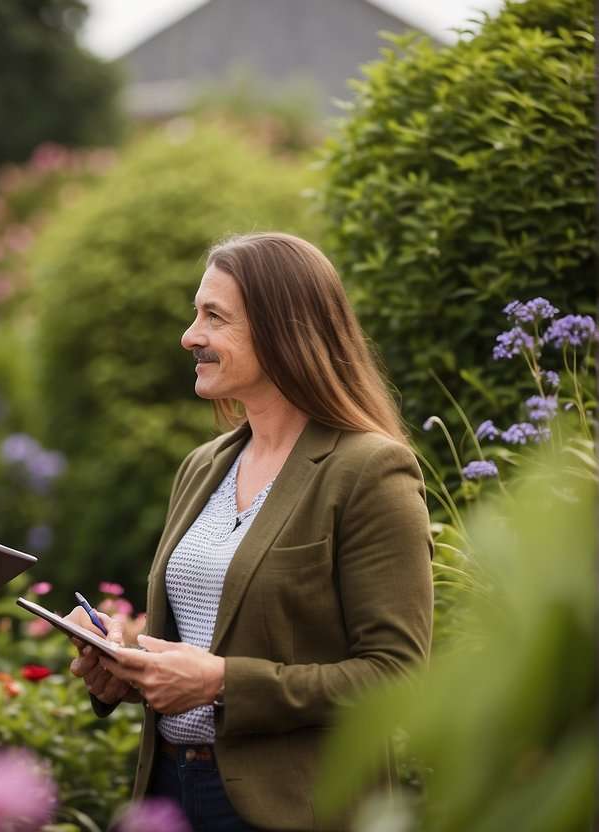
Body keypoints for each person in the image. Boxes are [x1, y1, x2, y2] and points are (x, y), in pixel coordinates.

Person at [65, 232, 433, 831]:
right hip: (168, 791)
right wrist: (124, 662)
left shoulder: (369, 470)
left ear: (284, 331)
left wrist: (223, 683)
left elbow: (395, 674)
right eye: (196, 313)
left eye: (214, 317)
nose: (190, 335)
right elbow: (193, 644)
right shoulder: (204, 466)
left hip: (294, 808)